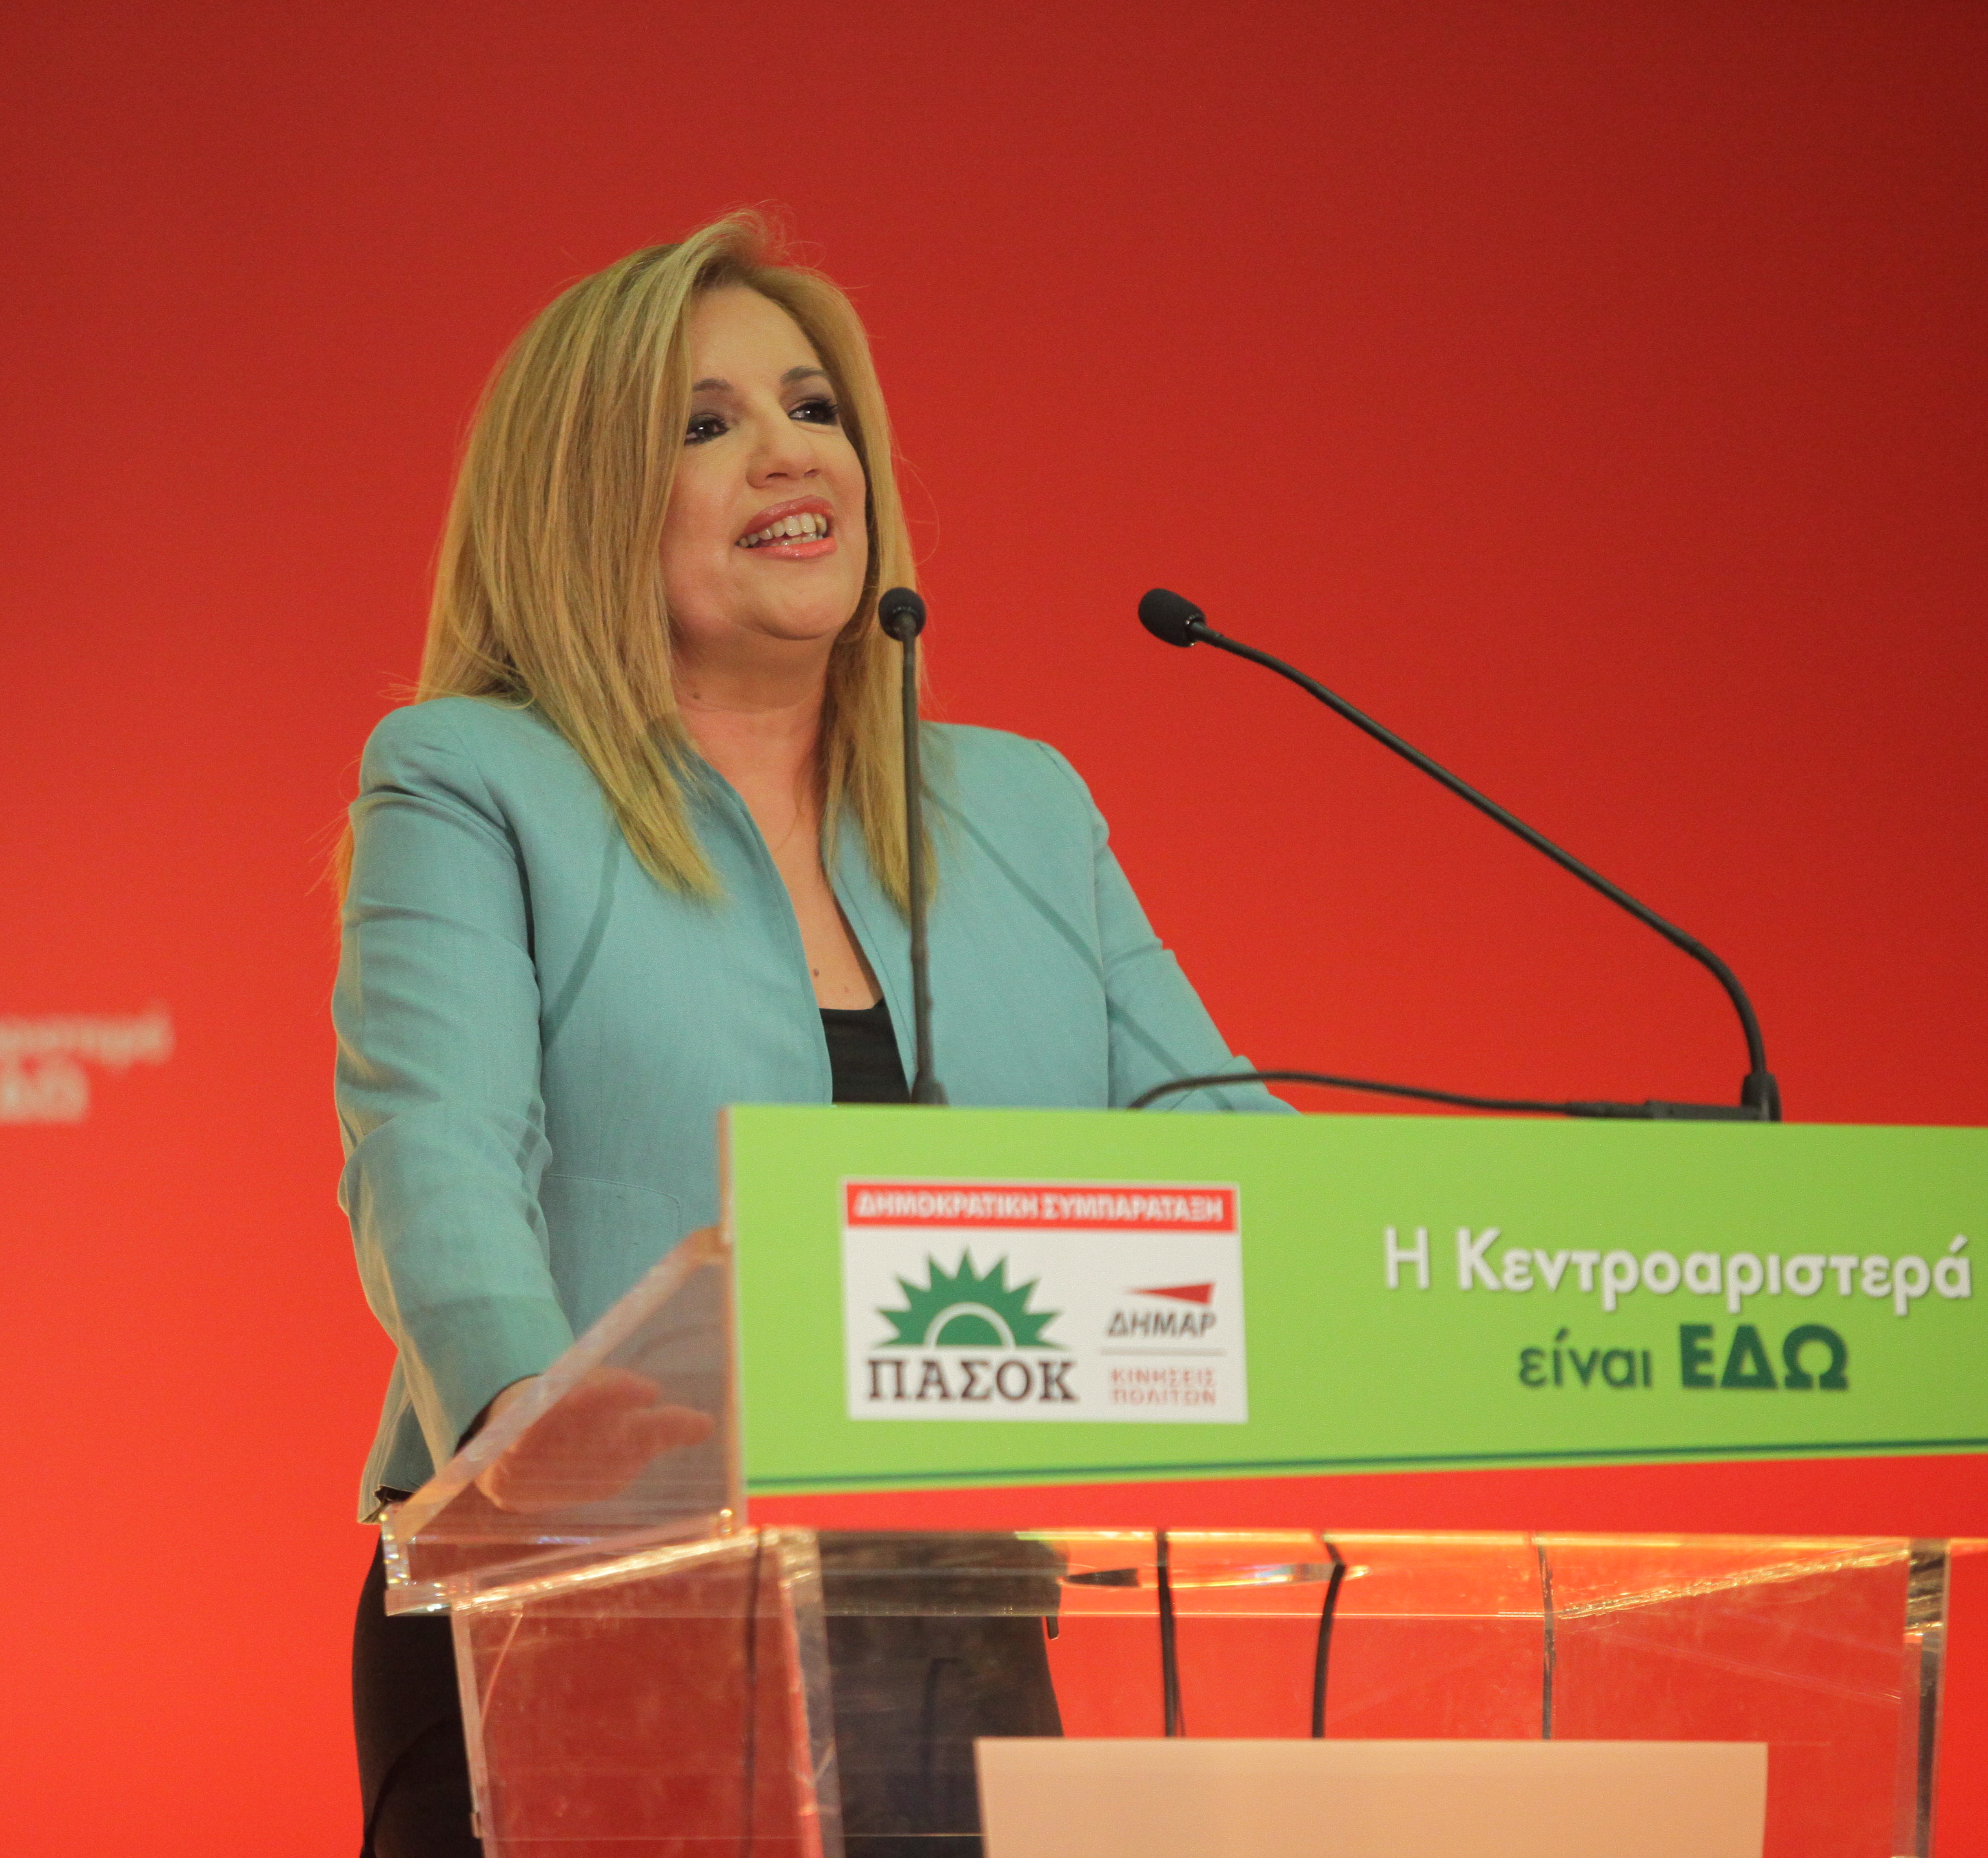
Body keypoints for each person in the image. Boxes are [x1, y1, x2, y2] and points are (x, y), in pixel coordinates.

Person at [333, 214, 1284, 1858]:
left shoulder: (1023, 809)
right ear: (581, 502)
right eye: (706, 425)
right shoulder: (472, 777)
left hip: (947, 1626)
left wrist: (1431, 1263)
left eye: (814, 406)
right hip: (566, 1608)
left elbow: (1231, 1149)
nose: (791, 449)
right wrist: (534, 1446)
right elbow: (436, 1149)